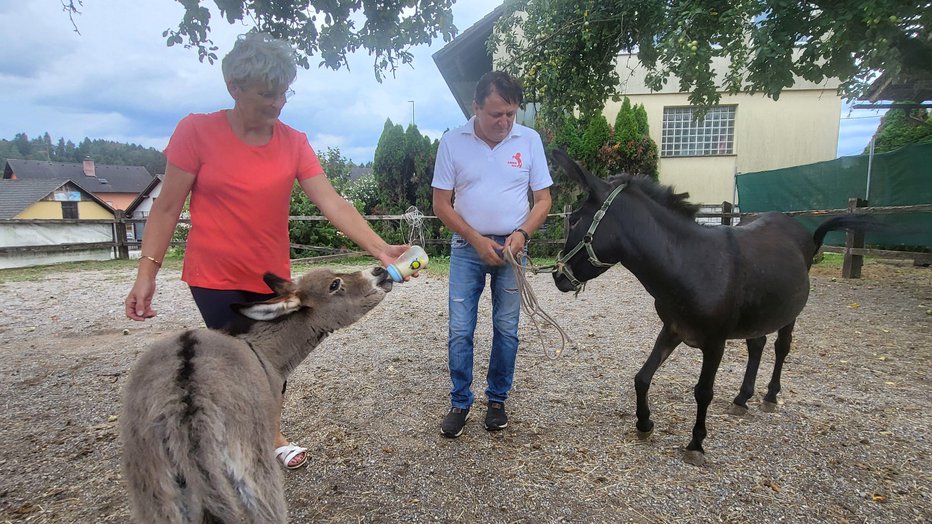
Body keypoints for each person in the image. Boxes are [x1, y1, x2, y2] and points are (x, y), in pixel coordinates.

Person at [123, 32, 407, 469]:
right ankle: (236, 444)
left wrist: (381, 248)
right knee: (240, 364)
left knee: (277, 358)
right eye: (266, 94)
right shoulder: (195, 132)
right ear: (234, 87)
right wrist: (147, 273)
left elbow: (331, 201)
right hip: (215, 277)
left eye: (283, 94)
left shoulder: (293, 141)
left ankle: (269, 435)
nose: (277, 104)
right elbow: (165, 207)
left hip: (272, 278)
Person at [431, 71, 553, 438]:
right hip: (467, 248)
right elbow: (440, 204)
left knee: (507, 330)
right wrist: (475, 238)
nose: (504, 123)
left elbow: (543, 200)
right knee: (460, 330)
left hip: (514, 249)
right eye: (496, 114)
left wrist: (522, 234)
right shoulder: (452, 142)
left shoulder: (529, 141)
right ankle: (460, 402)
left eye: (510, 115)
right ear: (476, 108)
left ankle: (497, 400)